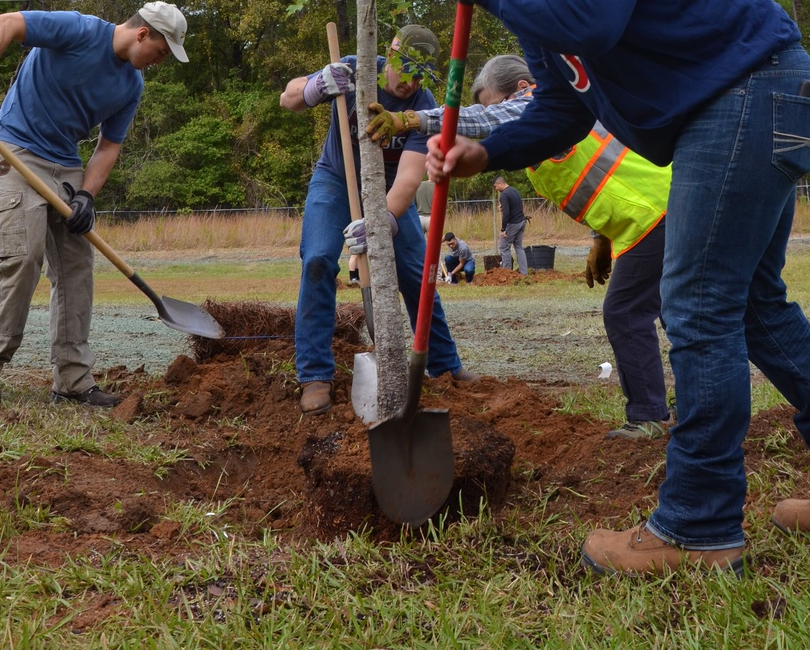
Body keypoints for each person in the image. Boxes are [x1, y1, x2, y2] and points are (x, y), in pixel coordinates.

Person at [416, 0, 810, 577]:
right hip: (740, 106)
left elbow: (590, 12)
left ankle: (699, 527)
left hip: (751, 91)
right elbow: (565, 107)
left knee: (698, 306)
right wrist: (485, 151)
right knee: (754, 306)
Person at [371, 51, 672, 436]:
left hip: (655, 211)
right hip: (642, 220)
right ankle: (687, 408)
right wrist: (601, 237)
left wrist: (411, 119)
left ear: (523, 89)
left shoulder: (544, 103)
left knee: (627, 312)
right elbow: (600, 180)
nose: (490, 118)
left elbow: (486, 120)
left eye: (492, 103)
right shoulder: (545, 138)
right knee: (675, 309)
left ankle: (651, 416)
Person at [0, 3, 189, 409]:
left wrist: (86, 195)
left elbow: (109, 145)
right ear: (142, 34)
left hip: (65, 166)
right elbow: (2, 24)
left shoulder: (131, 86)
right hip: (15, 150)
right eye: (161, 51)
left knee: (76, 265)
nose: (159, 61)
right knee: (22, 253)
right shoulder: (79, 30)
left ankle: (72, 381)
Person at [280, 25, 468, 413]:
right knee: (317, 260)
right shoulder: (353, 72)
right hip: (335, 179)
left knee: (417, 272)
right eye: (406, 68)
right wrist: (316, 85)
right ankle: (315, 375)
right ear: (390, 55)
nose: (411, 81)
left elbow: (410, 179)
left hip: (389, 191)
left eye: (421, 73)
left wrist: (380, 221)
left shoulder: (425, 104)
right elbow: (288, 99)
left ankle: (445, 367)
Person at [494, 174, 528, 276]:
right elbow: (515, 206)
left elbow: (507, 213)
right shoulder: (514, 190)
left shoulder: (504, 195)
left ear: (500, 183)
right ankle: (524, 273)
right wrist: (503, 207)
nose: (496, 189)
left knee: (504, 247)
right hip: (522, 221)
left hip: (513, 223)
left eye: (496, 186)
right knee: (518, 247)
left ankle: (506, 274)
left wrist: (503, 229)